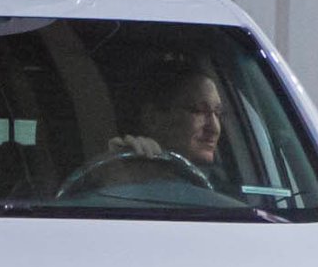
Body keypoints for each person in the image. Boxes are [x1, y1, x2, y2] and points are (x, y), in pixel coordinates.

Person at [66, 64, 237, 196]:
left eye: (218, 113)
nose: (214, 128)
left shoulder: (226, 185)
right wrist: (117, 175)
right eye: (198, 111)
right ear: (152, 118)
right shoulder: (114, 172)